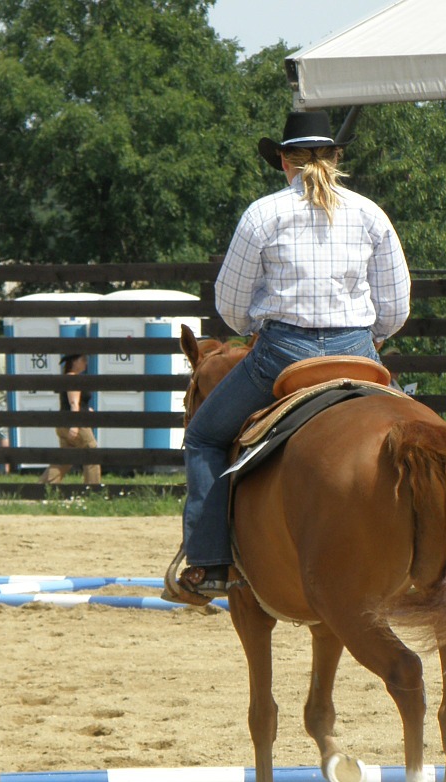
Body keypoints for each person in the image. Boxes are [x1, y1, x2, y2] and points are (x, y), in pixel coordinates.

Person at [173, 109, 411, 600]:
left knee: (203, 438)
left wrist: (250, 327)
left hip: (283, 354)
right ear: (336, 157)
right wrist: (374, 337)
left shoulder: (262, 214)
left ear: (283, 161)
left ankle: (209, 562)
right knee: (418, 428)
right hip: (357, 353)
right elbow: (396, 306)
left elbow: (232, 305)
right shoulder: (371, 214)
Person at [39, 353, 101, 486]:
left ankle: (43, 486)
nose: (86, 362)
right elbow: (74, 403)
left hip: (63, 423)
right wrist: (75, 425)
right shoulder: (73, 379)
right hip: (76, 423)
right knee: (92, 453)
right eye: (83, 360)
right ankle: (93, 489)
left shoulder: (67, 378)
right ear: (74, 362)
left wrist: (87, 410)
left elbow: (72, 403)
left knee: (64, 460)